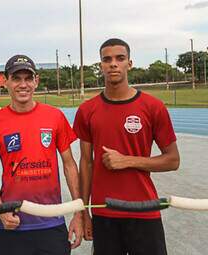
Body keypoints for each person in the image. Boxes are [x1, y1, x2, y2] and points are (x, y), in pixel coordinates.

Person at [73, 38, 180, 255]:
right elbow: (86, 163)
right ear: (101, 65)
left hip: (145, 210)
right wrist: (83, 211)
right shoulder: (87, 110)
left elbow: (173, 160)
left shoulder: (153, 107)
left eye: (119, 58)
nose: (113, 64)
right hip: (105, 213)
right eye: (107, 59)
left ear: (129, 64)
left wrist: (128, 160)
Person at [0, 54, 83, 255]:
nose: (22, 84)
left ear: (36, 81)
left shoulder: (55, 116)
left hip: (51, 222)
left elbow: (69, 165)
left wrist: (79, 213)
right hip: (11, 224)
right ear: (5, 82)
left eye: (28, 78)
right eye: (16, 78)